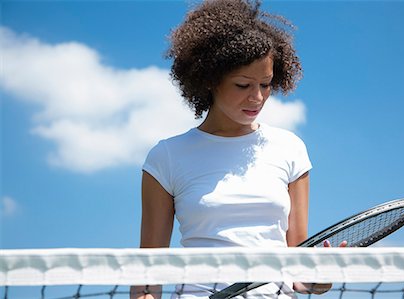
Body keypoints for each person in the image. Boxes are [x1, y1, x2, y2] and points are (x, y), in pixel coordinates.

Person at [131, 1, 346, 298]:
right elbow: (146, 278)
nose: (257, 97)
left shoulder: (290, 149)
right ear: (210, 80)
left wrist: (321, 279)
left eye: (266, 84)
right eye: (243, 85)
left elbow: (299, 274)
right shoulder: (165, 157)